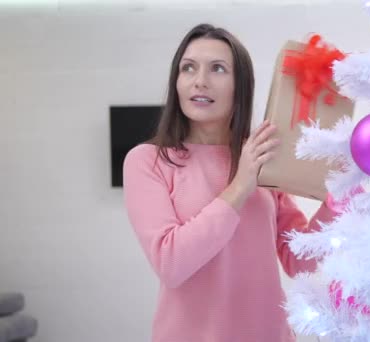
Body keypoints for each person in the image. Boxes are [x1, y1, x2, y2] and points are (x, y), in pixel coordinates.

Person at [123, 23, 342, 341]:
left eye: (217, 69)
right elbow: (171, 263)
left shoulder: (260, 156)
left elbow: (298, 260)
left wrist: (340, 194)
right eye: (188, 68)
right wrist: (241, 185)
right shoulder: (148, 161)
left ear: (240, 87)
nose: (200, 81)